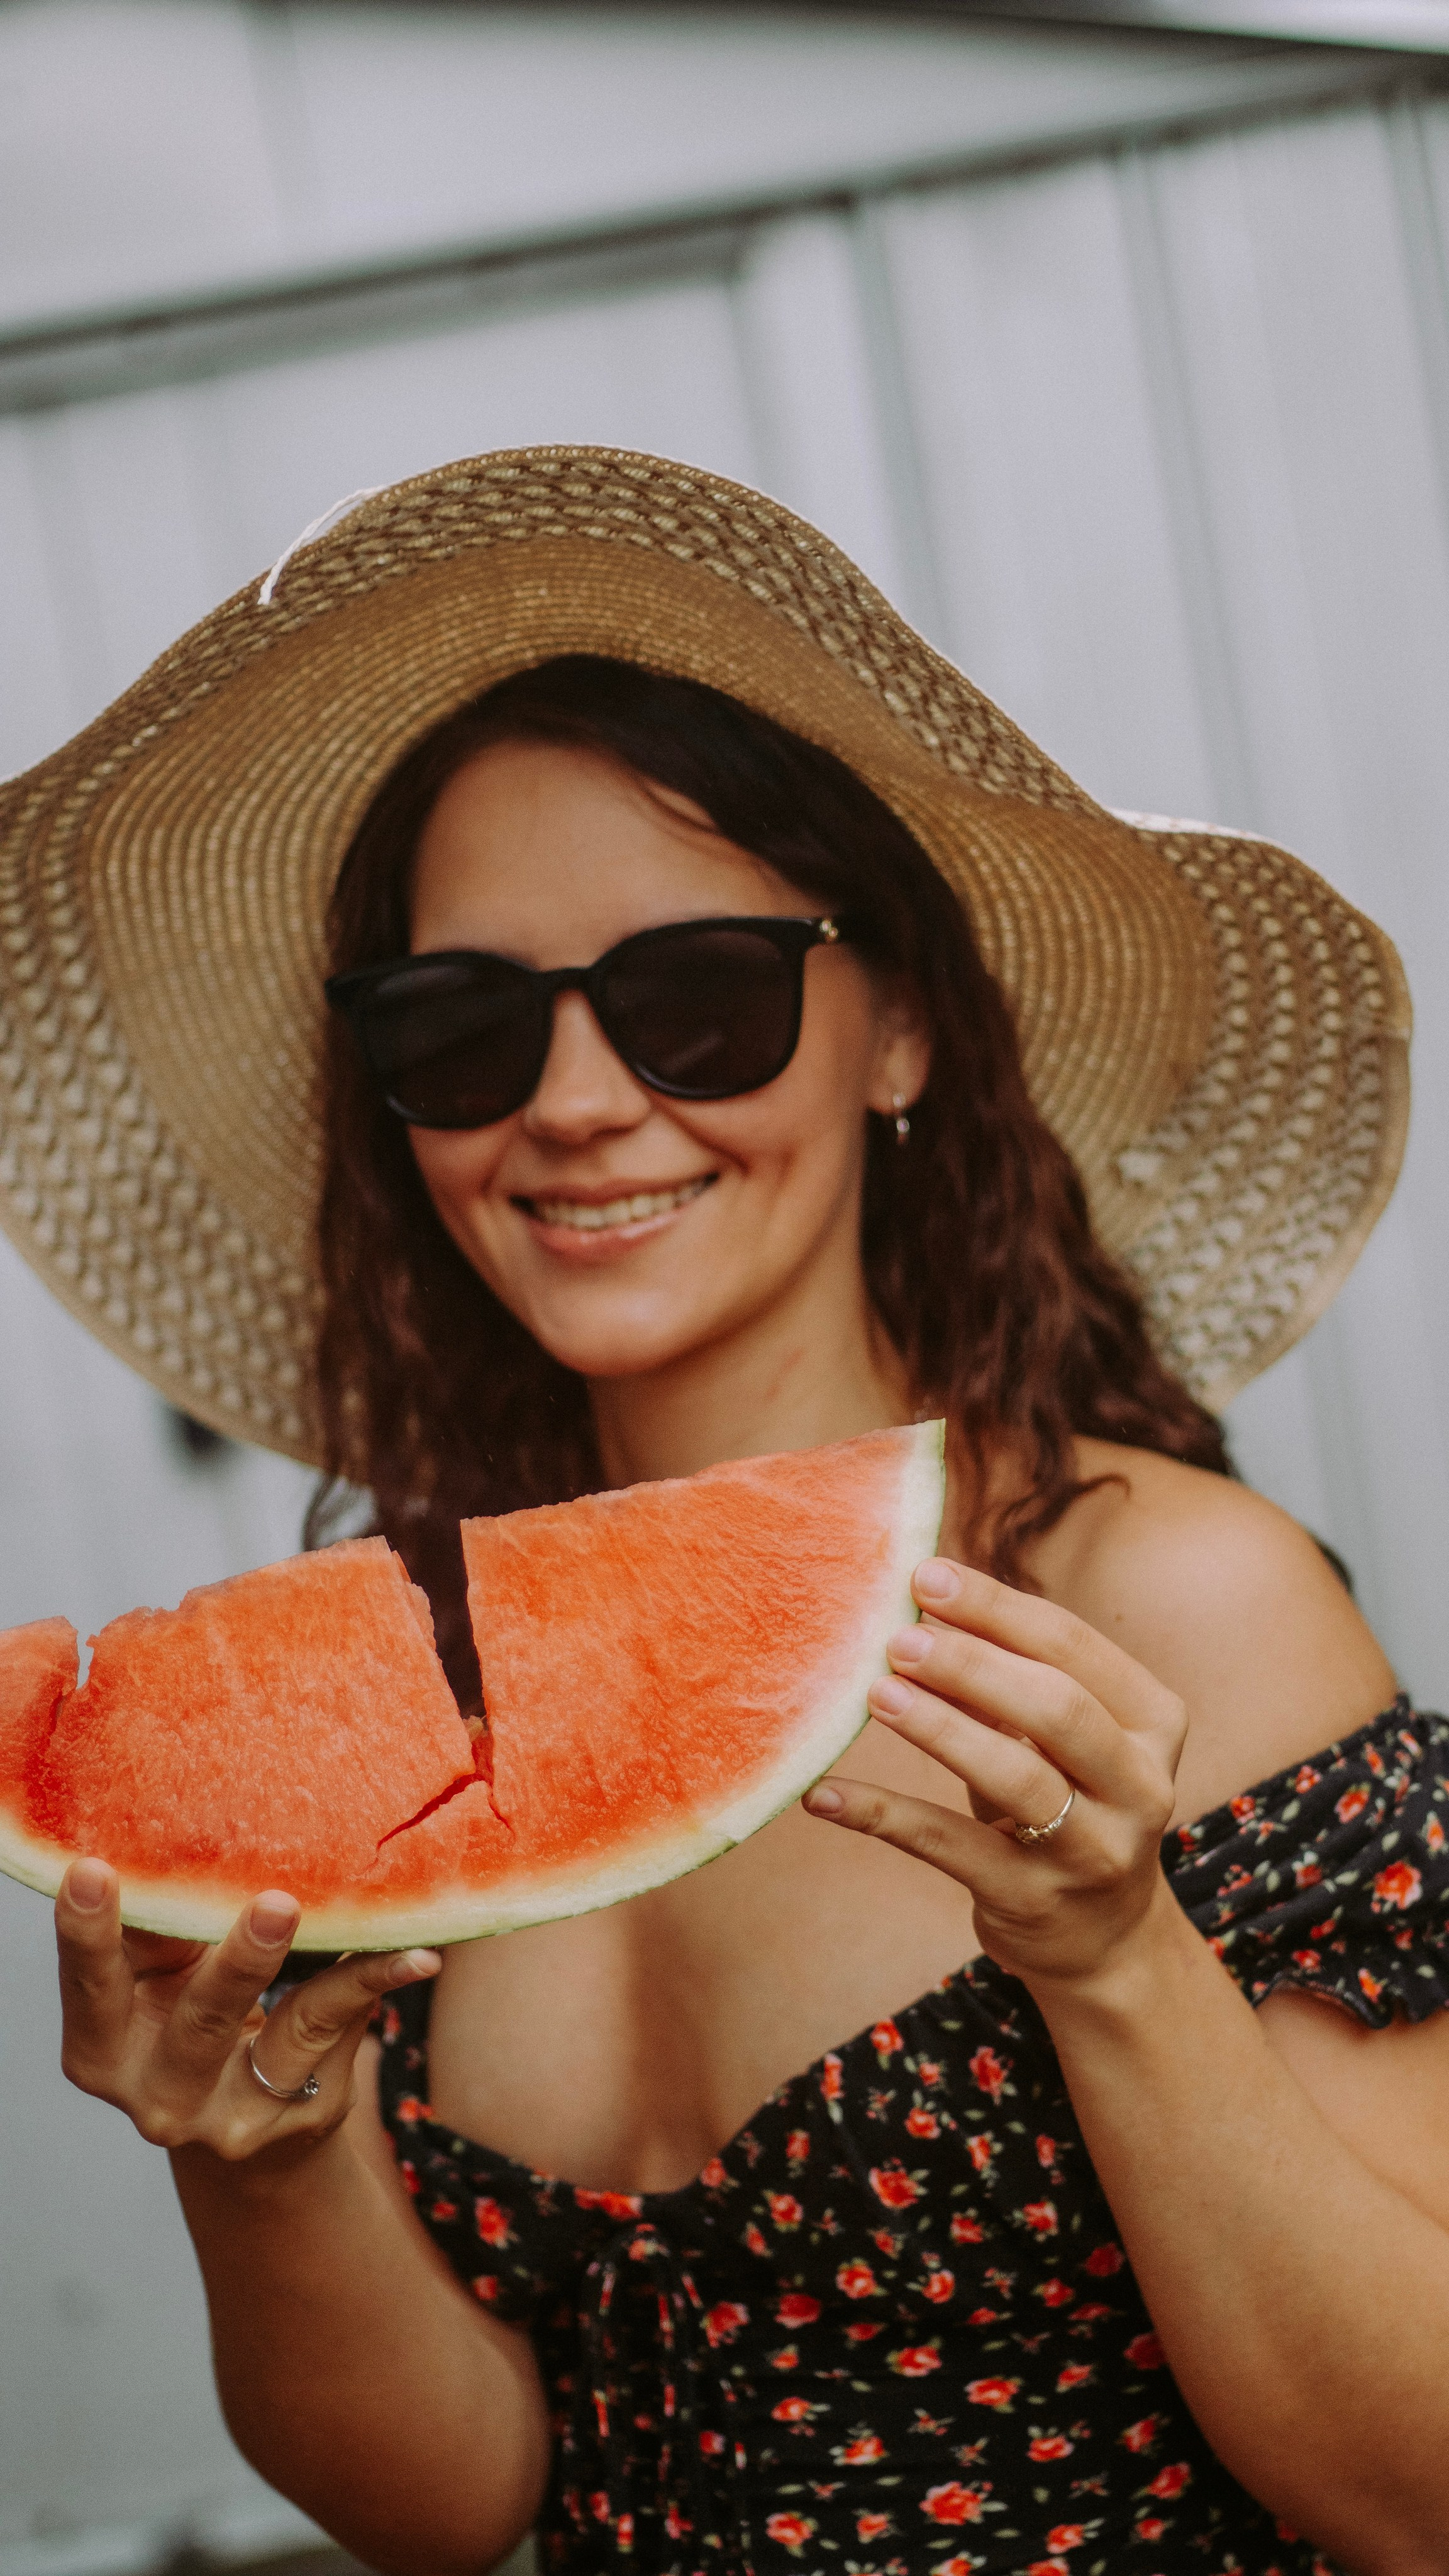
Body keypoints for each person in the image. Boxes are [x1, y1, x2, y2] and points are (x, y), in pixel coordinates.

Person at [11, 450, 1446, 2576]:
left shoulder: (1169, 1606)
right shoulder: (412, 1701)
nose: (579, 1103)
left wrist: (1118, 1956)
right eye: (462, 1025)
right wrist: (254, 2156)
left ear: (902, 1031)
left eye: (698, 997)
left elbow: (1416, 2500)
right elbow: (462, 2503)